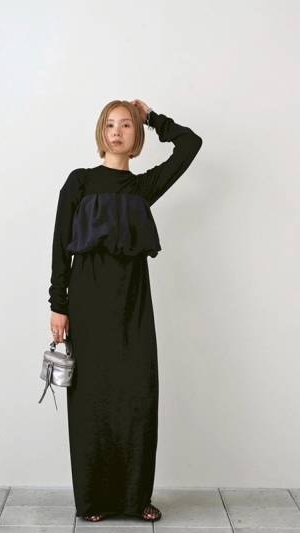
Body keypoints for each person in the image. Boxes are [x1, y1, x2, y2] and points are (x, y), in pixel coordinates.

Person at [48, 99, 203, 521]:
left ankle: (136, 499)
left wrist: (152, 118)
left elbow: (190, 144)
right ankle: (93, 500)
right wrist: (58, 304)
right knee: (91, 399)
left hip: (132, 302)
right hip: (87, 301)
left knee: (137, 395)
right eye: (110, 125)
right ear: (101, 132)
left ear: (136, 136)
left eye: (126, 125)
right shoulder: (79, 181)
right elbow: (60, 245)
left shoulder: (142, 187)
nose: (117, 132)